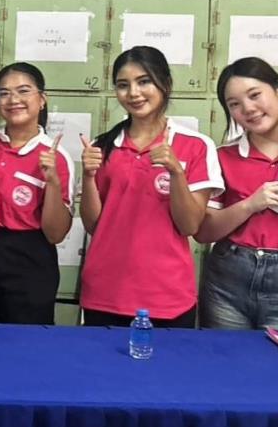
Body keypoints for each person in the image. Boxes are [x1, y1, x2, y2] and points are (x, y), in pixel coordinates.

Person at [80, 46, 223, 328]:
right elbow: (94, 225)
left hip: (167, 295)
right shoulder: (102, 146)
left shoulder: (195, 145)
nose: (133, 93)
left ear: (165, 84)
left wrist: (176, 172)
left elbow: (189, 225)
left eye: (144, 81)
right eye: (123, 85)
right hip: (104, 291)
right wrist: (87, 176)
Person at [195, 58, 278, 331]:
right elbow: (204, 232)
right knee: (224, 355)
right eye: (234, 104)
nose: (248, 109)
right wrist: (250, 204)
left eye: (255, 95)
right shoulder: (224, 156)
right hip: (229, 276)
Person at [0, 62, 73, 324]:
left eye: (24, 91)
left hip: (29, 261)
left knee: (26, 341)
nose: (13, 100)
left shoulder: (56, 156)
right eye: (4, 93)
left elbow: (55, 234)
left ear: (42, 99)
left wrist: (52, 182)